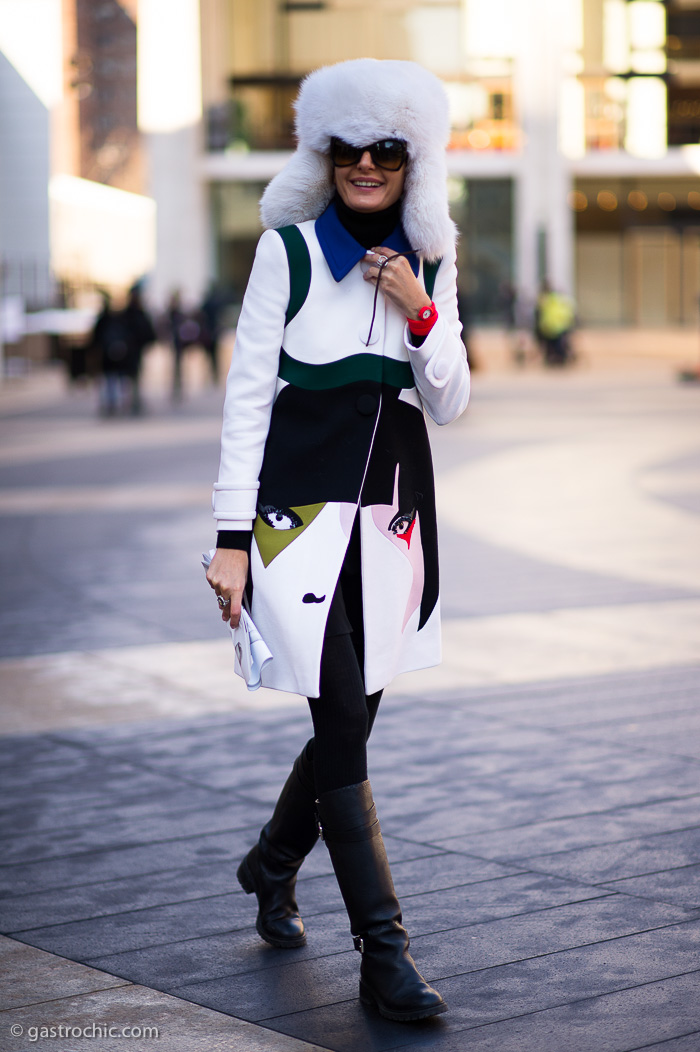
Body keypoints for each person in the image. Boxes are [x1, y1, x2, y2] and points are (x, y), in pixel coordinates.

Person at [206, 58, 470, 1023]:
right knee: (343, 726)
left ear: (412, 161)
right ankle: (384, 955)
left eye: (386, 150)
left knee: (349, 722)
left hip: (394, 524)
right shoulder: (286, 252)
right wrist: (230, 538)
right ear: (325, 152)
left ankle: (271, 864)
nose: (365, 164)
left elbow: (452, 400)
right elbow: (244, 404)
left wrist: (419, 307)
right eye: (348, 148)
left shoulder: (429, 259)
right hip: (297, 526)